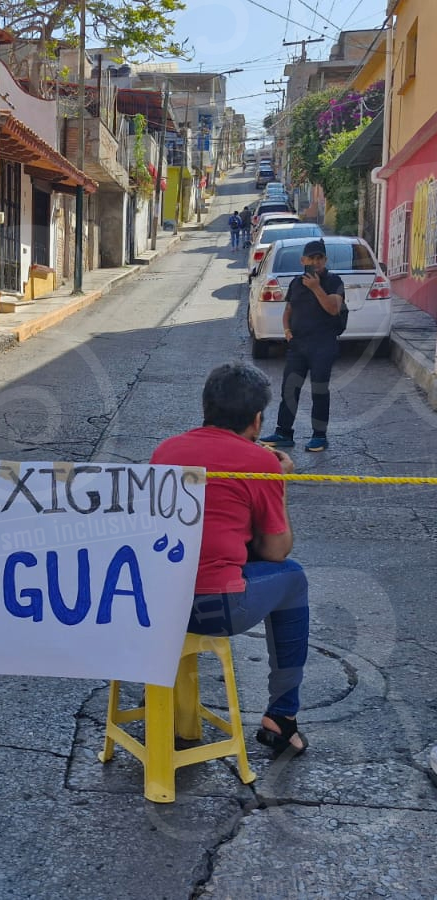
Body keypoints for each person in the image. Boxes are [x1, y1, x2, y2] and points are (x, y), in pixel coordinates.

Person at [152, 362, 309, 757]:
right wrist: (280, 482)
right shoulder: (260, 463)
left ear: (206, 407)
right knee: (293, 577)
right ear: (257, 421)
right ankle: (282, 715)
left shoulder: (166, 450)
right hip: (213, 608)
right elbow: (275, 550)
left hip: (158, 605)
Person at [259, 239, 344, 453]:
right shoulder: (297, 283)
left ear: (325, 260)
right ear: (302, 260)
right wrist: (287, 332)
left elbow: (333, 309)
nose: (315, 262)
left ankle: (319, 435)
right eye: (311, 258)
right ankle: (284, 433)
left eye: (319, 258)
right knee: (290, 388)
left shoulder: (334, 282)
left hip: (323, 344)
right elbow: (288, 310)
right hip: (298, 344)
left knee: (319, 390)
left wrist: (316, 288)